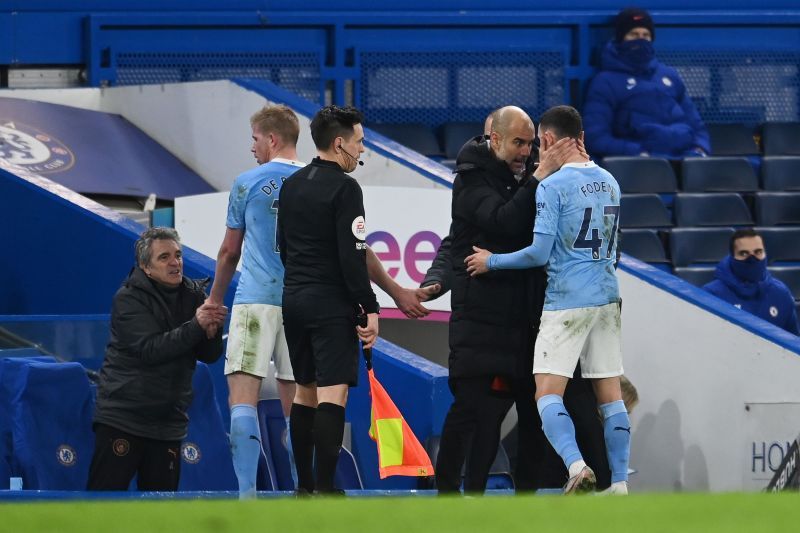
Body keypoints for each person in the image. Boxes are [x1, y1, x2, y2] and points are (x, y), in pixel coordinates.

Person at [421, 114, 612, 494]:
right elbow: (501, 223)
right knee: (475, 413)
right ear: (495, 139)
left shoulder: (525, 178)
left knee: (532, 414)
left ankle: (525, 496)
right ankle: (448, 494)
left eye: (531, 144)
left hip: (524, 320)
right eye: (518, 144)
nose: (526, 152)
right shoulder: (472, 179)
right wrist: (440, 279)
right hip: (483, 320)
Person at [466, 105, 631, 495]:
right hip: (608, 296)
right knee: (610, 394)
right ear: (582, 137)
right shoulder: (610, 181)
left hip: (567, 300)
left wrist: (493, 261)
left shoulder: (553, 187)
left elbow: (539, 253)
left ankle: (576, 467)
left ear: (548, 141)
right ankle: (620, 483)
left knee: (546, 392)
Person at [277, 105, 379, 495]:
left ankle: (303, 488)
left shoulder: (293, 183)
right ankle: (325, 489)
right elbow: (351, 255)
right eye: (359, 143)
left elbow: (282, 248)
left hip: (294, 299)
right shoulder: (346, 188)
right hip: (328, 302)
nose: (362, 151)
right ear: (340, 144)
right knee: (332, 392)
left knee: (305, 390)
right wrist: (369, 306)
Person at [207, 104, 305, 499]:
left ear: (272, 138)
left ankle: (246, 496)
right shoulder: (319, 181)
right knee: (298, 403)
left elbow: (230, 251)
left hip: (255, 302)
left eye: (254, 139)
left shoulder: (248, 182)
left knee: (241, 398)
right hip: (302, 303)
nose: (252, 147)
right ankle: (304, 491)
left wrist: (214, 300)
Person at [87, 227, 226, 491]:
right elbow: (150, 350)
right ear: (145, 266)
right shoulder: (128, 299)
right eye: (164, 257)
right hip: (123, 419)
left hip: (168, 424)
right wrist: (197, 326)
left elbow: (209, 355)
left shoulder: (195, 296)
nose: (175, 262)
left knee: (161, 514)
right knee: (102, 508)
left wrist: (213, 328)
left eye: (178, 255)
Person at [583, 7, 710, 159]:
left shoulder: (670, 76)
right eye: (634, 34)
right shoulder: (605, 81)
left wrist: (700, 149)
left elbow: (697, 126)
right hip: (641, 166)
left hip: (685, 157)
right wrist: (639, 153)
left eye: (646, 35)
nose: (640, 40)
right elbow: (596, 138)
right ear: (621, 38)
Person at [703, 229, 799, 335]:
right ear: (732, 257)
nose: (752, 259)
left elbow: (793, 342)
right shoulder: (712, 294)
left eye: (758, 252)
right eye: (744, 253)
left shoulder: (780, 293)